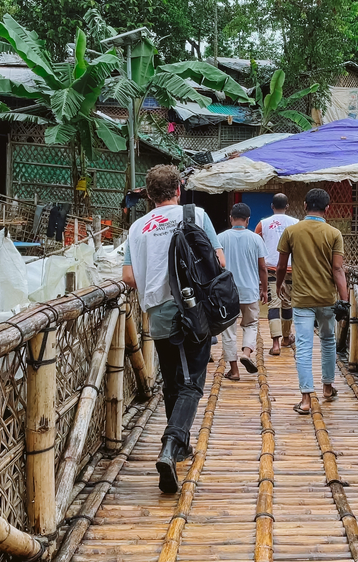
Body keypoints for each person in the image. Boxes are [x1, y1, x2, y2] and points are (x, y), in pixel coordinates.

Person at [123, 164, 225, 493]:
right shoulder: (194, 215)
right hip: (194, 310)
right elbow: (219, 263)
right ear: (178, 189)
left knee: (172, 383)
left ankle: (177, 446)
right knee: (192, 384)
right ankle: (171, 445)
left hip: (158, 315)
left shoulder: (137, 228)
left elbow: (128, 278)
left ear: (148, 195)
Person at [276, 188, 349, 415]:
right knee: (327, 342)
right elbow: (338, 268)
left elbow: (281, 266)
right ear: (327, 209)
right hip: (327, 299)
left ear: (305, 206)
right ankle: (327, 387)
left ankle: (306, 399)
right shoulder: (334, 233)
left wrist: (279, 285)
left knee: (305, 346)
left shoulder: (291, 231)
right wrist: (344, 300)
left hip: (302, 299)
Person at [218, 203, 267, 381]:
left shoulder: (220, 238)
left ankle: (234, 370)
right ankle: (246, 353)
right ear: (248, 220)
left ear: (231, 218)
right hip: (250, 290)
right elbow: (262, 267)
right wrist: (264, 289)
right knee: (251, 324)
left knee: (228, 330)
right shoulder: (256, 239)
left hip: (227, 292)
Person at [255, 193, 299, 355]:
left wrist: (259, 278)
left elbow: (258, 249)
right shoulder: (296, 224)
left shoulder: (262, 225)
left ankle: (275, 344)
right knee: (287, 304)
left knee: (274, 304)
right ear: (287, 207)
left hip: (271, 268)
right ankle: (286, 337)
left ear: (272, 206)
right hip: (290, 269)